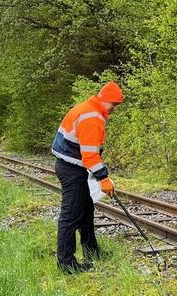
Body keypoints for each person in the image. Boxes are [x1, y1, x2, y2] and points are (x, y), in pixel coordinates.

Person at [51, 81, 124, 273]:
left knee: (86, 210)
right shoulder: (92, 117)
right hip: (72, 169)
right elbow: (90, 155)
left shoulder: (86, 108)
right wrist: (103, 179)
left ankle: (92, 252)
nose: (115, 109)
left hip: (72, 165)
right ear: (107, 100)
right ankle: (66, 264)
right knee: (70, 216)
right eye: (115, 104)